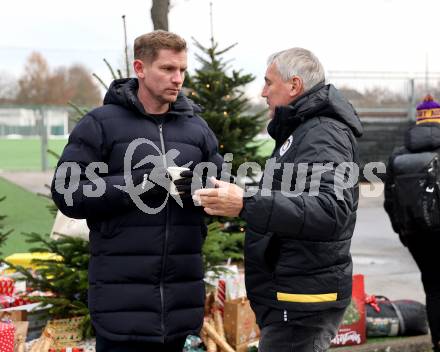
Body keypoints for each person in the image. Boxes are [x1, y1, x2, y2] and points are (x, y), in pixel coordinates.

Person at [51, 30, 222, 352]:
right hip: (120, 303)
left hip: (180, 304)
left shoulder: (197, 128)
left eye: (182, 70)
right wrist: (145, 182)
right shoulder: (99, 124)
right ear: (140, 68)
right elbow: (68, 192)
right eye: (168, 69)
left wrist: (195, 187)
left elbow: (220, 189)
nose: (177, 78)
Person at [194, 47, 363, 352]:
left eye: (269, 82)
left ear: (294, 85)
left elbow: (330, 210)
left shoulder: (323, 133)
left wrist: (247, 203)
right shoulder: (301, 130)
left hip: (303, 302)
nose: (262, 92)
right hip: (291, 295)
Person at [384, 95, 440, 352]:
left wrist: (403, 233)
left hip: (416, 235)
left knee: (432, 283)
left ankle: (438, 340)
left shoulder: (398, 156)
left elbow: (389, 201)